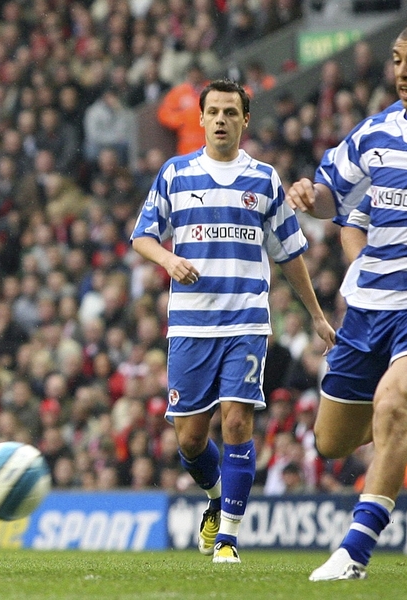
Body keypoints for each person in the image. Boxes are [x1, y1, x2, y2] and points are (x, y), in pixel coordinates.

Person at [130, 79, 335, 564]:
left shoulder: (264, 179)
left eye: (231, 112)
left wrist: (317, 317)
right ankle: (216, 498)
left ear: (245, 120)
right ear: (200, 119)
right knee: (190, 438)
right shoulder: (175, 173)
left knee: (238, 420)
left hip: (245, 320)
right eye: (214, 112)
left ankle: (229, 540)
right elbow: (142, 236)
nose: (221, 119)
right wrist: (168, 260)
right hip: (189, 326)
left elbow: (290, 255)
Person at [285, 22, 407, 581]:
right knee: (331, 441)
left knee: (392, 403)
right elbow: (335, 193)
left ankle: (353, 554)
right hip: (369, 306)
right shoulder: (376, 132)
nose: (403, 72)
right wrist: (310, 195)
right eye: (398, 60)